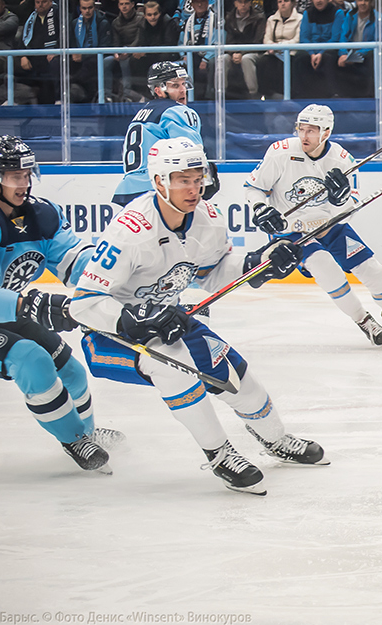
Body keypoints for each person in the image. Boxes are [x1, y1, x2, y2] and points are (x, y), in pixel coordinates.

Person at [70, 138, 326, 495]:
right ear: (159, 181)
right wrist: (136, 318)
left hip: (168, 319)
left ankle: (276, 438)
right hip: (111, 335)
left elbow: (213, 272)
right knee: (174, 366)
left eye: (197, 178)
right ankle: (220, 454)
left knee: (235, 373)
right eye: (182, 180)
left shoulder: (208, 219)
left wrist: (258, 263)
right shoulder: (130, 231)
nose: (194, 189)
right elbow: (82, 304)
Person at [0, 135, 119, 473]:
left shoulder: (41, 213)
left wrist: (117, 276)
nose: (24, 183)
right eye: (15, 176)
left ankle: (88, 432)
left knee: (72, 371)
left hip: (2, 308)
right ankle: (74, 439)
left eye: (27, 174)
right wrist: (35, 304)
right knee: (31, 360)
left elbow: (75, 262)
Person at [245, 104, 382, 348]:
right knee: (325, 266)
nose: (304, 136)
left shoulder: (342, 159)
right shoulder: (280, 152)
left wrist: (340, 200)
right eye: (301, 129)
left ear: (326, 132)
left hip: (329, 225)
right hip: (291, 231)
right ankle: (364, 321)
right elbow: (254, 188)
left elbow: (351, 207)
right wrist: (260, 208)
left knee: (371, 269)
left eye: (311, 130)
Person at [113, 61, 207, 206]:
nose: (183, 90)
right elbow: (193, 155)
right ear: (158, 90)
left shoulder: (141, 113)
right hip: (157, 193)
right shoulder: (178, 111)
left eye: (183, 84)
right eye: (175, 85)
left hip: (125, 193)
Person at [294, 0, 344, 98]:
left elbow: (335, 38)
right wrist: (312, 54)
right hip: (311, 51)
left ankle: (332, 94)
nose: (318, 0)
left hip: (329, 49)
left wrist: (320, 53)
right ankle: (300, 95)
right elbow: (304, 38)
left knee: (328, 58)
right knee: (299, 58)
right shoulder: (307, 13)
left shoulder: (338, 13)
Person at [255, 0, 303, 99]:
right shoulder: (271, 19)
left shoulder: (300, 18)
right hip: (274, 51)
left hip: (291, 51)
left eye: (286, 1)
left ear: (292, 3)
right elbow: (267, 38)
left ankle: (287, 95)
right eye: (280, 1)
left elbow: (297, 39)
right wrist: (272, 46)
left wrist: (281, 45)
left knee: (286, 63)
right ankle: (266, 94)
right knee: (262, 61)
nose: (283, 4)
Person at [17, 0, 61, 105]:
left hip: (52, 57)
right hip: (33, 58)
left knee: (55, 65)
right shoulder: (31, 18)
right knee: (9, 66)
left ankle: (58, 100)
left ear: (51, 1)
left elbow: (65, 36)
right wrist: (23, 56)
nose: (40, 5)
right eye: (37, 2)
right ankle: (14, 100)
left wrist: (57, 50)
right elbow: (23, 40)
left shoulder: (58, 14)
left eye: (44, 2)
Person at [334, 0, 378, 97]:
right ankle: (336, 94)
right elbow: (343, 36)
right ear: (356, 1)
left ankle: (370, 96)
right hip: (350, 53)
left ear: (371, 2)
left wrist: (354, 56)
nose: (363, 3)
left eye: (366, 0)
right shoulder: (350, 15)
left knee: (373, 56)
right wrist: (343, 54)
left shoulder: (379, 19)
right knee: (330, 56)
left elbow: (377, 44)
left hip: (366, 54)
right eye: (360, 0)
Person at [130, 1, 181, 97]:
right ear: (144, 15)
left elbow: (169, 45)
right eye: (149, 15)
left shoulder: (168, 22)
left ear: (160, 14)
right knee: (134, 60)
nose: (152, 17)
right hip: (150, 54)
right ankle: (143, 93)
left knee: (163, 57)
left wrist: (146, 53)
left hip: (166, 54)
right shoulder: (142, 24)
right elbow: (140, 42)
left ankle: (162, 92)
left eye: (155, 14)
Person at [222, 0, 266, 100]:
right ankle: (221, 93)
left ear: (250, 3)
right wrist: (233, 53)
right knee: (221, 59)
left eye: (245, 2)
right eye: (240, 2)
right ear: (235, 3)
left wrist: (242, 53)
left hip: (253, 52)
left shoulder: (259, 18)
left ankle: (253, 94)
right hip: (233, 52)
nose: (243, 5)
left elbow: (258, 40)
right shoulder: (229, 18)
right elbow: (228, 40)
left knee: (246, 59)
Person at [68, 0, 112, 104]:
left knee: (90, 63)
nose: (87, 11)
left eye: (90, 8)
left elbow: (105, 46)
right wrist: (74, 53)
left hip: (96, 57)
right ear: (80, 9)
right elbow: (72, 43)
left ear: (94, 8)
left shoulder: (103, 22)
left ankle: (73, 81)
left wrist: (83, 55)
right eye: (84, 8)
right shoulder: (74, 23)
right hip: (79, 58)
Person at [106, 0, 144, 101]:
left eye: (126, 4)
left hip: (136, 50)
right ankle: (107, 95)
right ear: (118, 5)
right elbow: (116, 41)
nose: (124, 6)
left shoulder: (141, 18)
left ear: (132, 4)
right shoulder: (116, 22)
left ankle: (127, 94)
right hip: (123, 51)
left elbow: (139, 38)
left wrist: (127, 51)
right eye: (121, 4)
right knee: (105, 62)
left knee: (124, 61)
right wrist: (116, 52)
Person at [181, 0, 217, 101]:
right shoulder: (188, 21)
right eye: (197, 2)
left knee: (212, 63)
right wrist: (184, 55)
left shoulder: (216, 20)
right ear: (192, 5)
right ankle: (187, 97)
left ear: (207, 3)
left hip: (210, 55)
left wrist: (206, 59)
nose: (200, 5)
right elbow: (181, 41)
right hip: (193, 54)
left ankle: (209, 97)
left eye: (202, 2)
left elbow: (219, 41)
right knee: (183, 64)